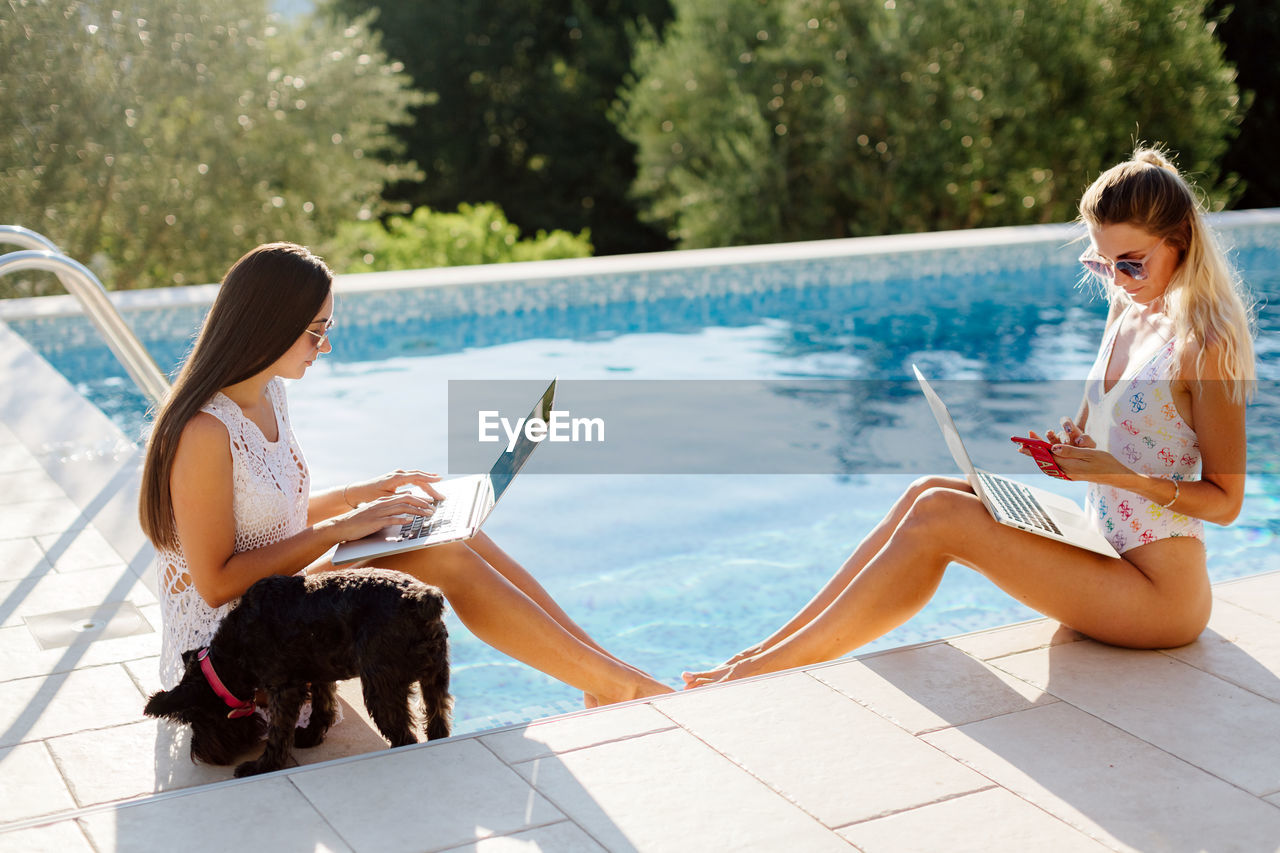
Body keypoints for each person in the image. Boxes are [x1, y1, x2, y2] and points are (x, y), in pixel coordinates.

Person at [683, 148, 1255, 688]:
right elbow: (1111, 434)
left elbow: (1226, 503)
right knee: (927, 489)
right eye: (1102, 265)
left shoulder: (1207, 345)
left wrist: (1114, 474)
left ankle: (762, 673)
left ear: (1180, 241)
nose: (1118, 280)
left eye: (1131, 264)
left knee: (941, 516)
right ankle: (760, 653)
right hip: (1102, 549)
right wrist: (1074, 448)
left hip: (1161, 595)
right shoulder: (1126, 311)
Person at [139, 242, 671, 707]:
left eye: (327, 329)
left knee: (447, 524)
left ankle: (604, 673)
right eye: (314, 332)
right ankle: (620, 686)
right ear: (269, 325)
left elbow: (264, 515)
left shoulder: (268, 392)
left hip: (275, 601)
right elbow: (217, 584)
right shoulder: (204, 432)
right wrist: (344, 528)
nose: (324, 347)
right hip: (233, 649)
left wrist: (359, 496)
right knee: (441, 554)